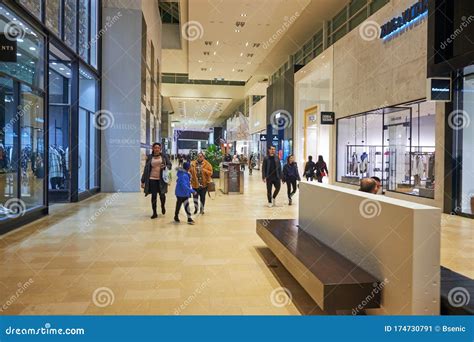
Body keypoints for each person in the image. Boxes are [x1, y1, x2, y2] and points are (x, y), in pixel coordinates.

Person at [141, 143, 172, 219]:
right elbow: (146, 169)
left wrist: (165, 166)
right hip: (152, 179)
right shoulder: (150, 157)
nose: (157, 149)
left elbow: (170, 165)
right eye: (155, 147)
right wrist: (143, 181)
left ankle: (162, 206)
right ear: (153, 148)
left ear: (160, 149)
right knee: (153, 196)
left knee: (162, 195)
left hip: (162, 179)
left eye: (158, 147)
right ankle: (154, 212)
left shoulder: (164, 156)